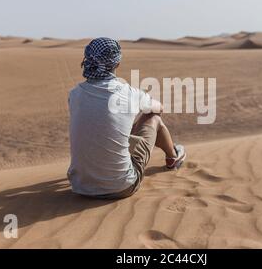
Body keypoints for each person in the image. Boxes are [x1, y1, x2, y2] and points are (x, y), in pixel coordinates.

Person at [67, 37, 186, 199]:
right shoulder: (128, 93)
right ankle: (172, 157)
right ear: (117, 64)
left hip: (79, 186)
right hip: (121, 186)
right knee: (154, 117)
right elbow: (160, 108)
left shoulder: (75, 94)